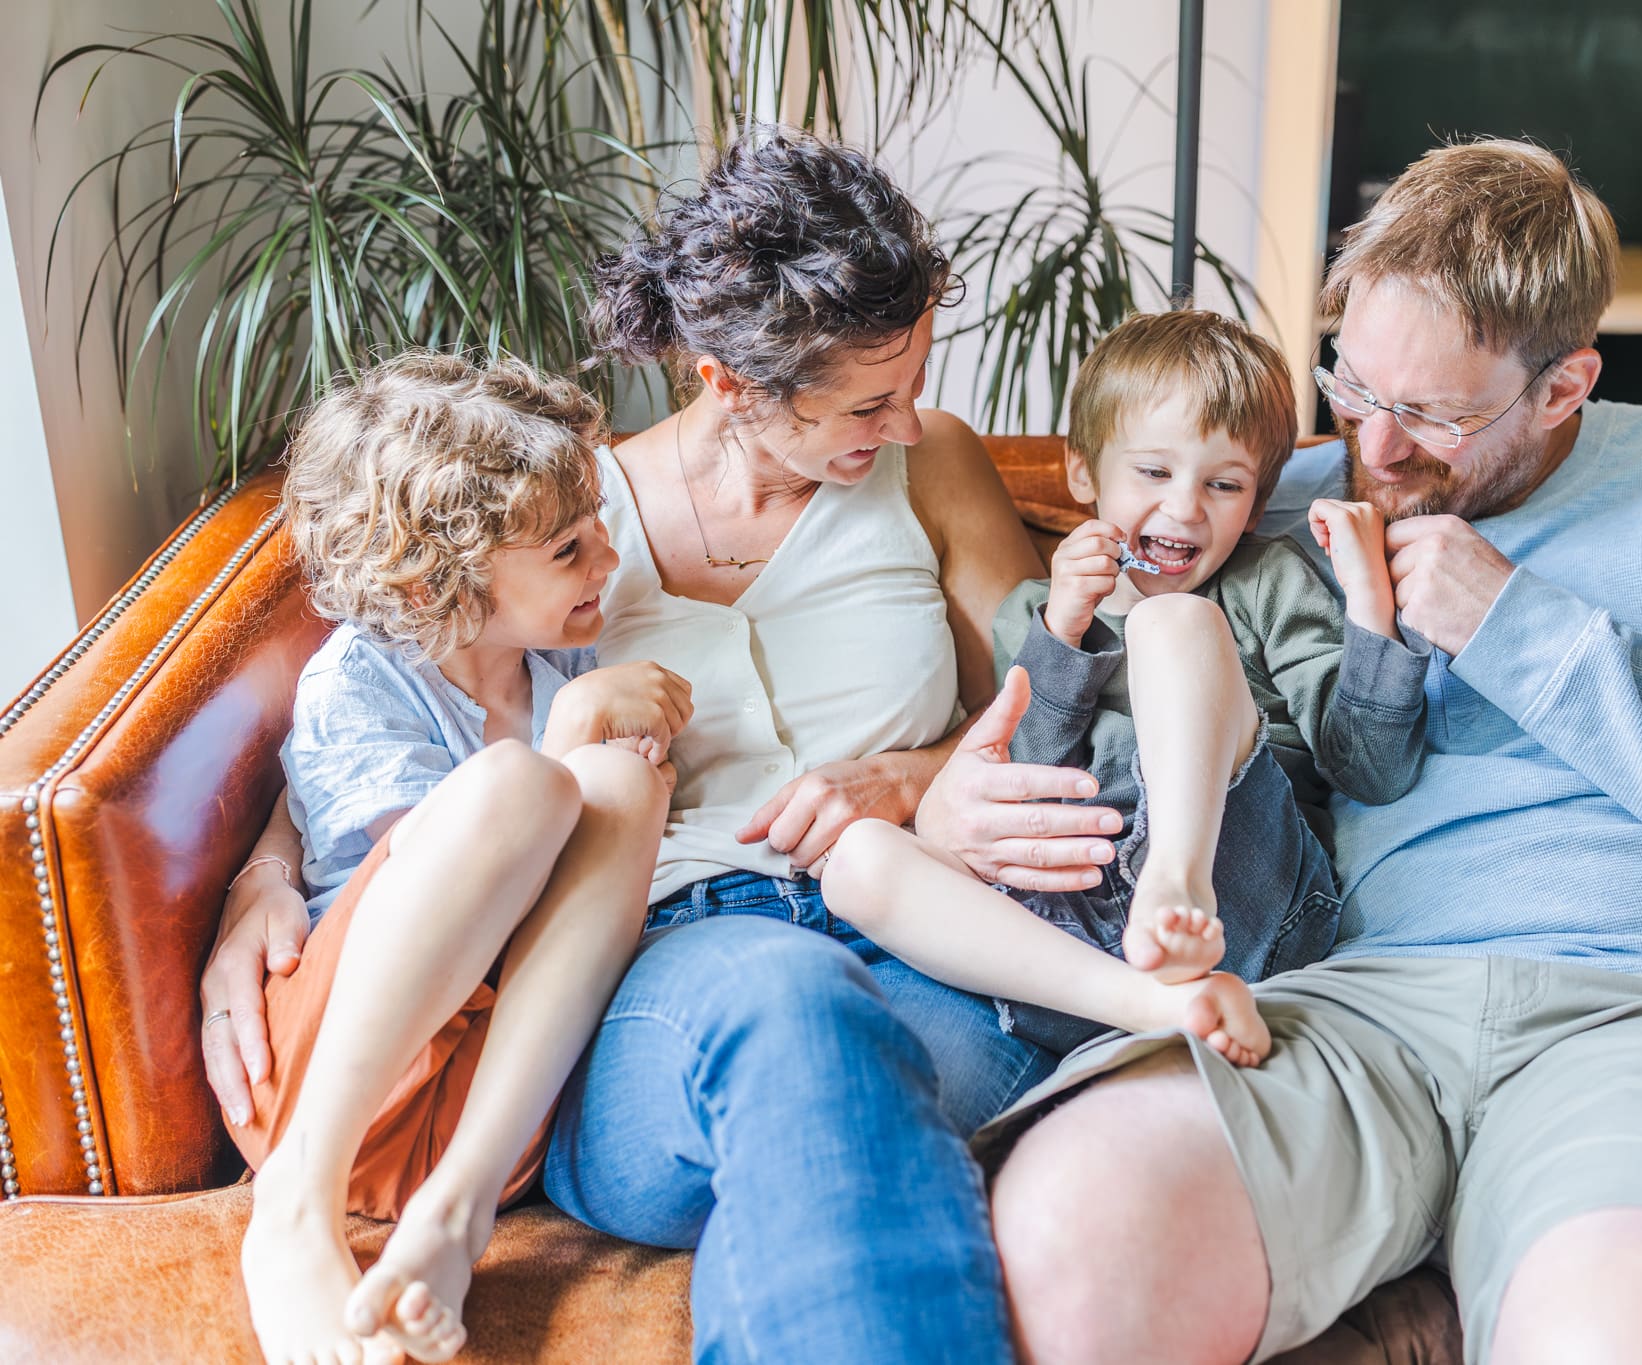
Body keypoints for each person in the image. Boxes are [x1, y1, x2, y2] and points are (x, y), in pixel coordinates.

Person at [965, 140, 1642, 1365]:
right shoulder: (1249, 496)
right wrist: (936, 793)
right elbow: (1073, 680)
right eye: (1352, 386)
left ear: (1562, 385)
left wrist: (1521, 629)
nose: (1373, 453)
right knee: (1071, 1244)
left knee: (1638, 1339)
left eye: (1431, 414)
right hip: (1341, 1008)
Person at [199, 129, 1125, 1363]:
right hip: (664, 963)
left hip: (919, 925)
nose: (905, 425)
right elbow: (418, 724)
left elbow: (1038, 695)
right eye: (863, 401)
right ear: (725, 381)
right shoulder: (565, 532)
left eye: (909, 383)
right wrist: (258, 875)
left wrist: (919, 781)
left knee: (820, 1096)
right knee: (785, 1008)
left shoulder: (924, 467)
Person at [822, 309, 1429, 1066]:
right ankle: (1157, 1005)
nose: (1184, 507)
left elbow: (1371, 767)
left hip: (1239, 893)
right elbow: (1025, 770)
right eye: (1153, 471)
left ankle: (1175, 884)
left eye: (1224, 483)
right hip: (1068, 938)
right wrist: (1064, 633)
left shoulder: (1268, 580)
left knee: (1172, 623)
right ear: (1084, 472)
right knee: (857, 860)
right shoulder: (1039, 612)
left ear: (1256, 496)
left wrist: (1372, 608)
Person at [229, 353, 682, 1365]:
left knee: (622, 784)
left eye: (599, 525)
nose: (608, 560)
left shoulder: (563, 647)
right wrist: (566, 734)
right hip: (350, 1081)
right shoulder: (359, 686)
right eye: (568, 549)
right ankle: (291, 1212)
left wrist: (593, 739)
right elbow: (475, 901)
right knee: (527, 784)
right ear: (433, 582)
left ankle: (455, 1217)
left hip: (485, 1105)